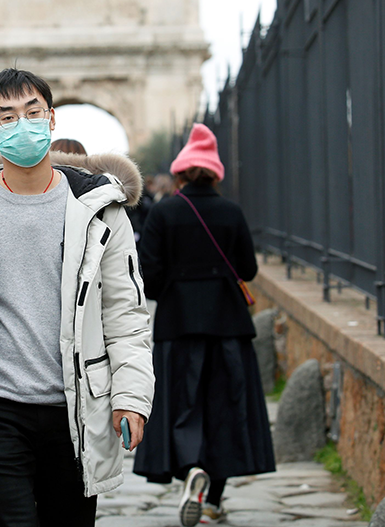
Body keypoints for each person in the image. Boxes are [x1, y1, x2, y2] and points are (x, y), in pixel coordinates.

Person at [0, 68, 154, 526]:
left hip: (77, 406)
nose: (22, 124)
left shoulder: (101, 209)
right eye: (7, 116)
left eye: (32, 112)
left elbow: (125, 312)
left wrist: (132, 397)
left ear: (52, 119)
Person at [133, 124, 275, 526]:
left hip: (177, 325)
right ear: (215, 172)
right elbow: (247, 268)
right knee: (226, 406)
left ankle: (190, 467)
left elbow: (151, 277)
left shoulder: (163, 212)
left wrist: (177, 287)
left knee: (183, 403)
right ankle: (213, 498)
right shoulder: (232, 213)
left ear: (180, 173)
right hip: (228, 325)